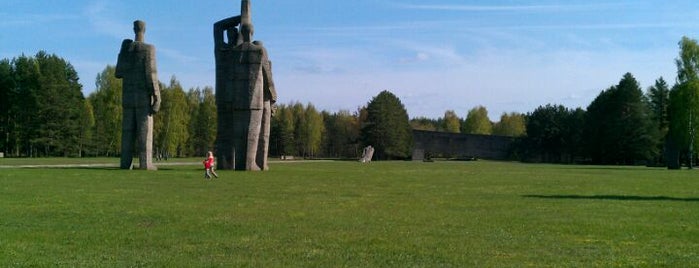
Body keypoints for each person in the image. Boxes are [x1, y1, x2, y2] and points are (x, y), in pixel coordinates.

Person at [115, 20, 161, 170]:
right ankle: (145, 163)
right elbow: (151, 74)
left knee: (127, 133)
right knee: (144, 132)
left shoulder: (127, 50)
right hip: (142, 97)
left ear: (133, 29)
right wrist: (157, 96)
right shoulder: (148, 49)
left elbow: (118, 72)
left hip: (128, 97)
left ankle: (125, 163)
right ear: (144, 29)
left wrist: (122, 51)